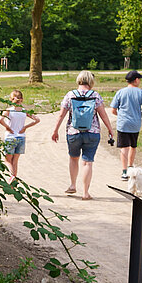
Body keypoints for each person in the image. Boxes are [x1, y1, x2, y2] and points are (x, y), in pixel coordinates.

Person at [50, 70, 115, 199]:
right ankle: (85, 193)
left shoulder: (70, 95)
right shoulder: (95, 95)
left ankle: (73, 185)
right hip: (92, 133)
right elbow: (103, 115)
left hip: (73, 132)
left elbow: (61, 115)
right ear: (91, 81)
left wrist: (55, 130)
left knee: (74, 158)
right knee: (87, 162)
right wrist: (110, 129)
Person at [109, 70, 142, 180]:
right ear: (136, 80)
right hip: (135, 124)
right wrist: (139, 114)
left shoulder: (120, 92)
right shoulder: (141, 93)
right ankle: (131, 167)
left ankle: (124, 172)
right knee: (133, 146)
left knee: (124, 147)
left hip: (123, 124)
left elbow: (113, 110)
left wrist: (121, 116)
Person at [0, 90, 39, 179]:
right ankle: (13, 181)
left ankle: (11, 176)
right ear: (22, 99)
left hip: (10, 137)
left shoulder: (9, 110)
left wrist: (7, 127)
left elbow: (0, 120)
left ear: (10, 99)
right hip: (21, 137)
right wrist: (25, 127)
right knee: (15, 161)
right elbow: (37, 119)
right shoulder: (24, 111)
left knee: (7, 160)